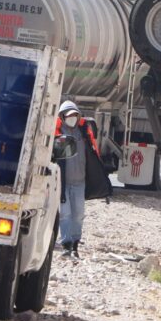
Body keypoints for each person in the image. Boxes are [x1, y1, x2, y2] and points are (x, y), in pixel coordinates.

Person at [54, 100, 112, 258]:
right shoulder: (57, 133)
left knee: (78, 214)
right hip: (62, 182)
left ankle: (75, 244)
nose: (72, 118)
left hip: (80, 182)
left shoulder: (83, 133)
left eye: (74, 115)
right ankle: (66, 244)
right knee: (65, 214)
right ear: (63, 116)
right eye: (69, 115)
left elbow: (93, 156)